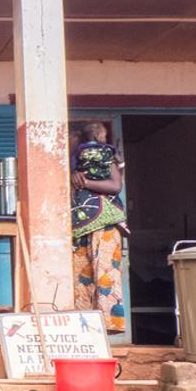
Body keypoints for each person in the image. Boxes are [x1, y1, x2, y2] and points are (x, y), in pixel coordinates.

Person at [70, 122, 127, 333]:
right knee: (90, 277)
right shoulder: (81, 162)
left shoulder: (99, 158)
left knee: (96, 276)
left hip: (94, 224)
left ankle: (98, 328)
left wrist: (84, 183)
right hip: (88, 224)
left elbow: (115, 185)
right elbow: (115, 186)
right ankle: (93, 328)